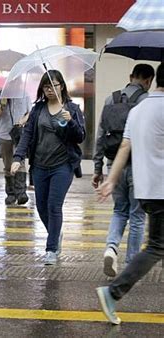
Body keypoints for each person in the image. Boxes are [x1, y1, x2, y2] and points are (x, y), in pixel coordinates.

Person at [96, 63, 164, 325]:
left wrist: (112, 180)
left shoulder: (139, 109)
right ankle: (113, 292)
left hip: (147, 189)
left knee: (157, 244)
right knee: (157, 246)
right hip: (160, 189)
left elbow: (125, 144)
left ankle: (113, 292)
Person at [11, 70, 86, 265]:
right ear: (42, 89)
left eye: (54, 85)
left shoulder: (72, 108)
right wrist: (17, 157)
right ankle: (55, 234)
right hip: (39, 166)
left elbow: (80, 137)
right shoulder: (37, 110)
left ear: (61, 86)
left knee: (54, 205)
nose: (50, 89)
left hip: (62, 165)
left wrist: (70, 122)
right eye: (46, 86)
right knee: (42, 208)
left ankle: (51, 249)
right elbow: (27, 135)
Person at [92, 64, 154, 277]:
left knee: (119, 211)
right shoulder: (147, 101)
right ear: (149, 81)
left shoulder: (112, 99)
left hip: (113, 165)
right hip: (138, 166)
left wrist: (98, 168)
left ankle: (111, 247)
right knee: (137, 216)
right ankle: (131, 265)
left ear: (130, 77)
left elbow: (101, 135)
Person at [0, 90, 32, 205]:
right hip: (4, 135)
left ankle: (21, 193)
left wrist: (23, 121)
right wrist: (2, 105)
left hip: (20, 134)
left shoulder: (25, 94)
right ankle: (11, 194)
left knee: (20, 162)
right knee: (8, 164)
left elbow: (30, 112)